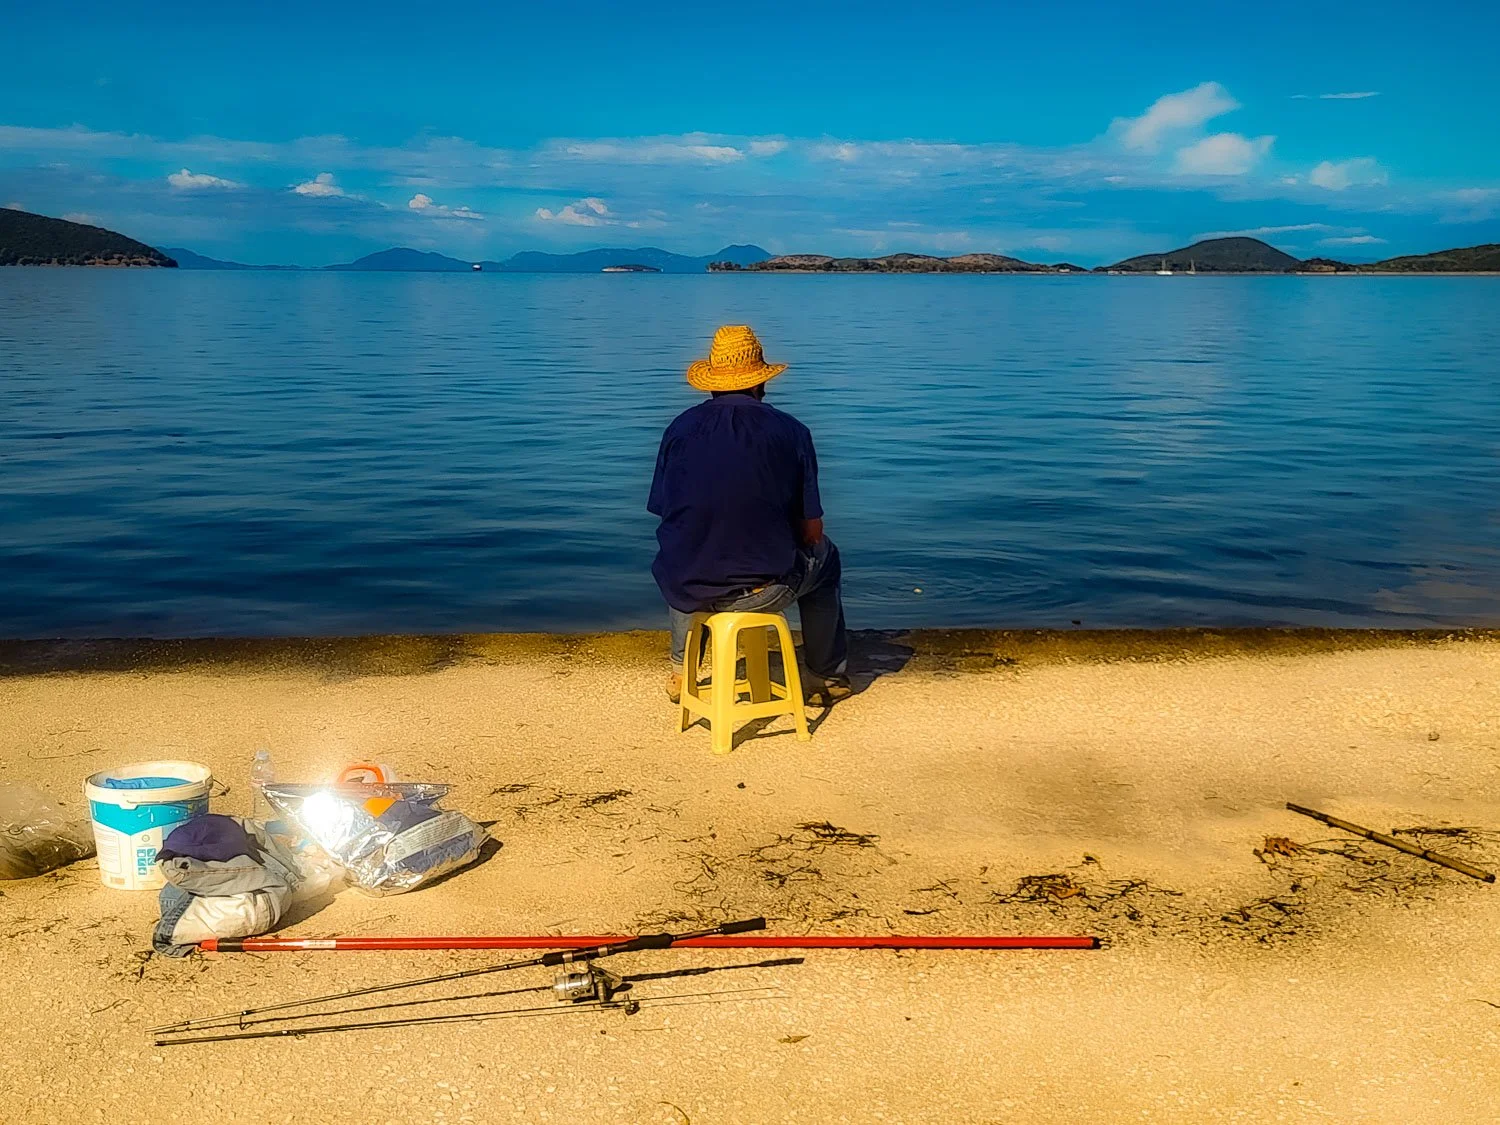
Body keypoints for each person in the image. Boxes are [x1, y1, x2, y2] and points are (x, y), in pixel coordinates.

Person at [648, 324, 851, 706]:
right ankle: (825, 676)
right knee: (827, 558)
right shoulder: (792, 432)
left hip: (686, 587)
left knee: (684, 548)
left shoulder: (678, 429)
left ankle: (680, 670)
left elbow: (665, 510)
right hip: (760, 591)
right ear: (761, 382)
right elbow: (811, 532)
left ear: (711, 382)